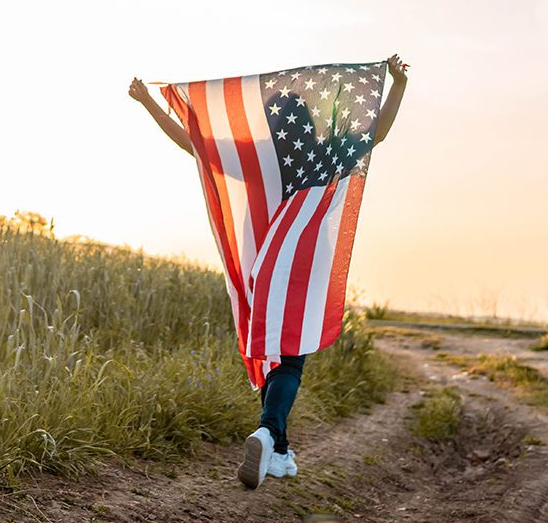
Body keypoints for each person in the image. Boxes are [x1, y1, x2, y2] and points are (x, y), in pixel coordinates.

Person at [129, 54, 408, 488]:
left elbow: (193, 144)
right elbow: (381, 131)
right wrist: (397, 85)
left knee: (275, 352)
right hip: (306, 263)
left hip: (265, 263)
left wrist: (148, 102)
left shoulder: (261, 156)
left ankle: (278, 452)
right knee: (291, 360)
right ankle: (269, 432)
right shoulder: (328, 151)